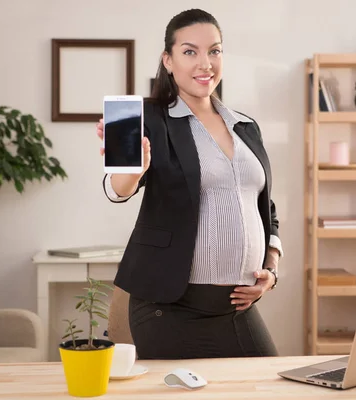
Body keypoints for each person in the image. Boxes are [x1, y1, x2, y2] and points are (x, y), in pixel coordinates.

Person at [96, 8, 284, 360]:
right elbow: (115, 190)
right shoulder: (143, 117)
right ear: (167, 60)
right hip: (169, 307)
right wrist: (135, 170)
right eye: (189, 52)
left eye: (214, 50)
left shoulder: (245, 126)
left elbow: (266, 209)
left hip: (235, 308)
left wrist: (271, 268)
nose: (205, 63)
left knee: (270, 388)